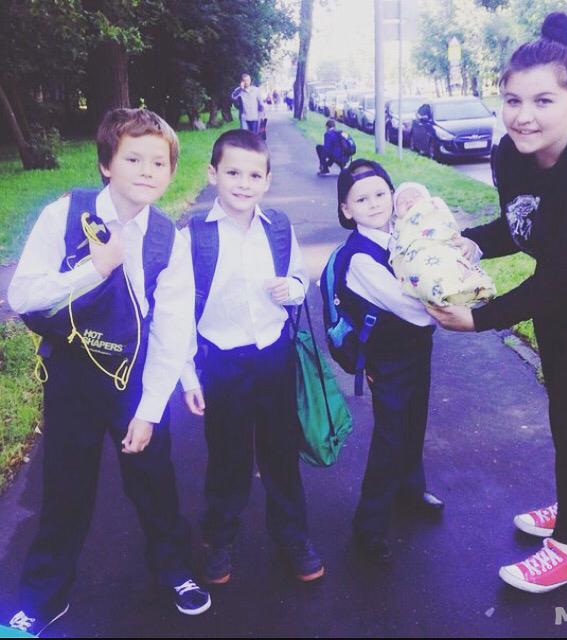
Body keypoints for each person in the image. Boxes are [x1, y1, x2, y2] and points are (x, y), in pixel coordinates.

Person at [429, 12, 567, 593]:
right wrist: (465, 243)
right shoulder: (512, 152)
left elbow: (566, 278)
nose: (524, 116)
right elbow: (524, 224)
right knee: (565, 409)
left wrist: (478, 319)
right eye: (513, 99)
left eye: (543, 101)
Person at [5, 108, 211, 637]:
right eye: (133, 159)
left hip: (136, 378)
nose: (147, 171)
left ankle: (174, 569)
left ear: (171, 171)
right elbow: (22, 295)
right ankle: (44, 596)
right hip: (73, 372)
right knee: (65, 486)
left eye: (159, 162)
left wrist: (149, 410)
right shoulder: (65, 214)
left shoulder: (168, 237)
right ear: (105, 164)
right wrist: (94, 268)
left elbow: (172, 328)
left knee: (153, 480)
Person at [180, 129, 324, 584]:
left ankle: (292, 535)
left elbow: (300, 279)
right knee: (228, 455)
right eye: (233, 173)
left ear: (267, 180)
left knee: (281, 451)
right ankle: (219, 538)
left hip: (273, 355)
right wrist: (188, 375)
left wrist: (291, 288)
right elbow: (178, 311)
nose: (243, 183)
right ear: (213, 174)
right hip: (222, 362)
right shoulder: (194, 237)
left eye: (254, 175)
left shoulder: (277, 227)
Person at [334, 159, 444, 562]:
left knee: (415, 422)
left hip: (417, 349)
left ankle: (410, 491)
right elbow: (413, 311)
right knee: (390, 437)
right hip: (387, 359)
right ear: (346, 209)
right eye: (362, 199)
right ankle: (369, 525)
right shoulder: (361, 257)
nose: (375, 203)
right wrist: (447, 300)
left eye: (381, 193)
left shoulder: (401, 234)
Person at [389, 181, 496, 308]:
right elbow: (397, 251)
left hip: (443, 248)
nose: (409, 201)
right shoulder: (400, 226)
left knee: (455, 268)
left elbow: (448, 226)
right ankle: (447, 295)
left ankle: (473, 290)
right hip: (419, 259)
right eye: (401, 202)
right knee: (428, 276)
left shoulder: (434, 210)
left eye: (416, 196)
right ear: (396, 214)